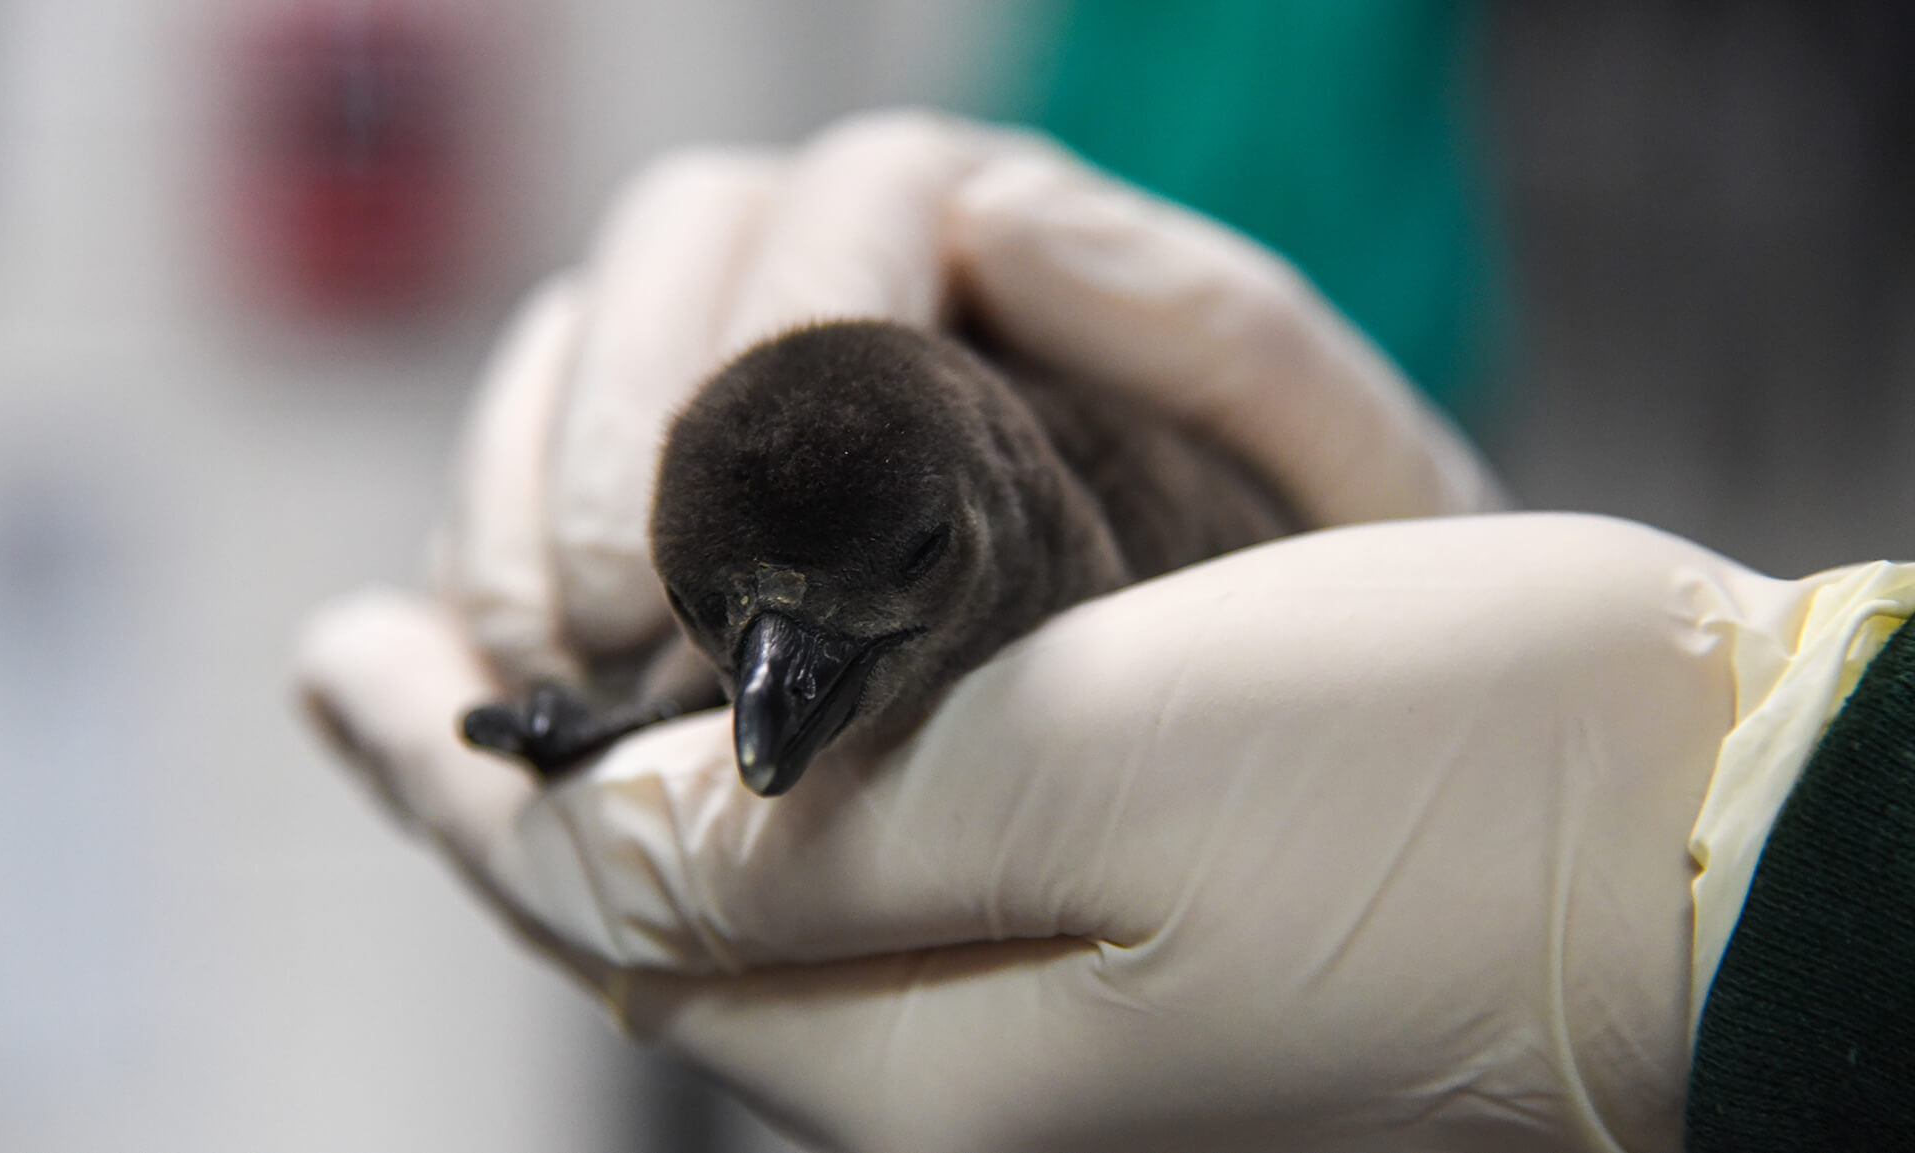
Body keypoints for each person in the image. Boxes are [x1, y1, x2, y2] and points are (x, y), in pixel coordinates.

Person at [296, 112, 1913, 1151]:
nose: (766, 718)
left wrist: (1731, 879)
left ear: (989, 505)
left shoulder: (1153, 514)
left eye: (908, 557)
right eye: (730, 639)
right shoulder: (828, 597)